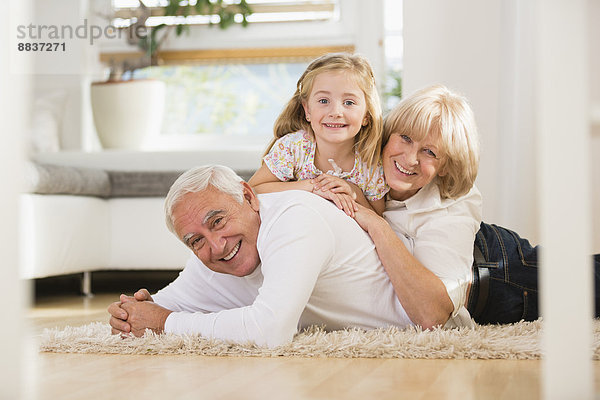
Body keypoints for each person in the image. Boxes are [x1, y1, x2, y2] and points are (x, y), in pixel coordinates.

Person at [349, 84, 600, 327]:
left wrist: (377, 224)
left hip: (502, 273)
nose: (410, 158)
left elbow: (431, 314)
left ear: (445, 166)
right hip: (483, 250)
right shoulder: (362, 170)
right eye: (405, 138)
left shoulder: (454, 202)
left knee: (587, 282)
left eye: (430, 152)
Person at [109, 164, 426, 348]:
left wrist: (166, 323)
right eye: (195, 241)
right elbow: (159, 306)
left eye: (218, 221)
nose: (217, 246)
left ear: (249, 197)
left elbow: (270, 331)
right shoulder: (213, 255)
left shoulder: (294, 218)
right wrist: (133, 314)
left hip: (459, 289)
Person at [248, 53, 388, 216]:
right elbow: (253, 190)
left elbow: (379, 220)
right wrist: (312, 187)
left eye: (349, 102)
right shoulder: (294, 147)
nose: (335, 112)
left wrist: (354, 192)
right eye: (323, 101)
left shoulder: (370, 164)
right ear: (307, 110)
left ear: (366, 115)